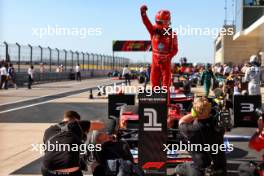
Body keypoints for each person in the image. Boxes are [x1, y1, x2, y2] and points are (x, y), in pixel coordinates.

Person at [42, 111, 105, 176]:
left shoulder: (48, 130)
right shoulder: (76, 124)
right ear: (76, 119)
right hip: (69, 168)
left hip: (47, 168)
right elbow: (101, 125)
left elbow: (47, 149)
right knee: (94, 165)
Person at [175, 97, 227, 176]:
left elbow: (181, 121)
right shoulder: (218, 125)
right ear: (209, 109)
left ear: (194, 111)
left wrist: (192, 115)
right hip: (220, 169)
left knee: (179, 168)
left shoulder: (191, 129)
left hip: (201, 171)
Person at [140, 5, 178, 90]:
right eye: (158, 22)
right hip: (155, 62)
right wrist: (143, 14)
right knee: (154, 83)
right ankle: (155, 101)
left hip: (166, 62)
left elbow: (175, 49)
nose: (158, 25)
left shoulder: (172, 34)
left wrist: (169, 57)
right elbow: (146, 23)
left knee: (166, 85)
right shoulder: (153, 30)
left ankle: (166, 103)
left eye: (160, 22)